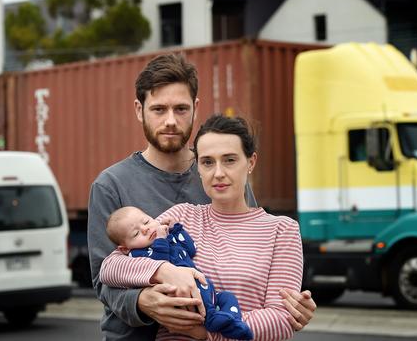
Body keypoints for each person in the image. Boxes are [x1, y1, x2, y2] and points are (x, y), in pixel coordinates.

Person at [87, 53, 316, 340]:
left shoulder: (227, 183)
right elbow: (103, 279)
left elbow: (255, 252)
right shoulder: (112, 185)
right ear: (139, 109)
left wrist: (287, 313)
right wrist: (146, 299)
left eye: (181, 109)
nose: (170, 120)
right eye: (158, 109)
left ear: (196, 108)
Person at [105, 206, 254, 340]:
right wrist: (161, 239)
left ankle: (233, 321)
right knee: (204, 304)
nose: (145, 230)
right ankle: (213, 319)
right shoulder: (137, 254)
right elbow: (159, 261)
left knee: (227, 297)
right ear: (124, 248)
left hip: (206, 288)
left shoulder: (167, 237)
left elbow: (191, 249)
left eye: (146, 222)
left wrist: (176, 229)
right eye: (136, 233)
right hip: (183, 297)